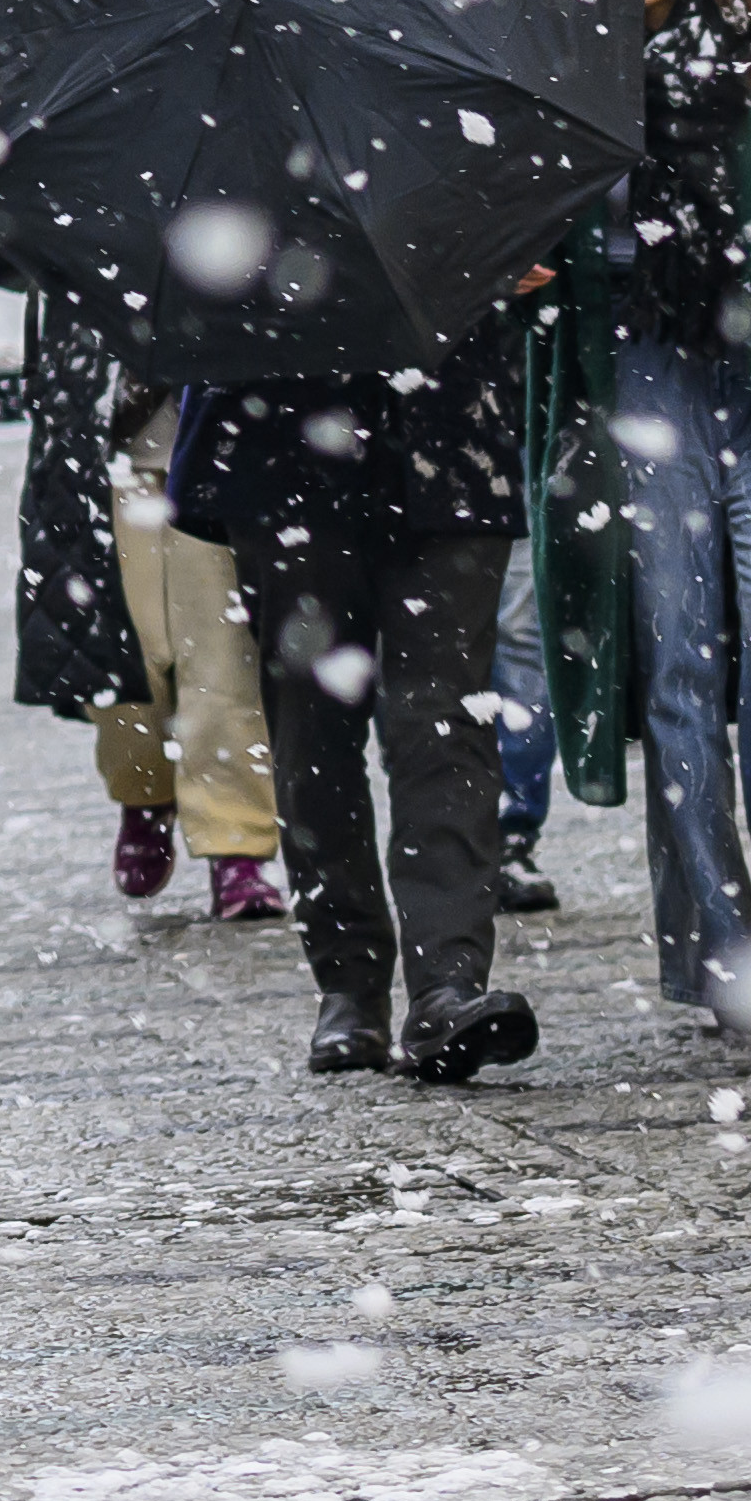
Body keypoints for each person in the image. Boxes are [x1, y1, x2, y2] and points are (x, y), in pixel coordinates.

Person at [531, 0, 751, 1023]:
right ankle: (712, 951)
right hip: (637, 380)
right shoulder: (558, 69)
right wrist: (527, 273)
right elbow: (523, 235)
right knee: (676, 665)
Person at [183, 322, 532, 1079]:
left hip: (449, 426)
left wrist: (533, 255)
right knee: (313, 729)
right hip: (282, 432)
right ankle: (348, 976)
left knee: (444, 717)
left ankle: (448, 979)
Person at [17, 291, 288, 920]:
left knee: (223, 663)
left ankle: (236, 846)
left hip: (219, 445)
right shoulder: (74, 201)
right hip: (106, 452)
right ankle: (142, 792)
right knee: (127, 658)